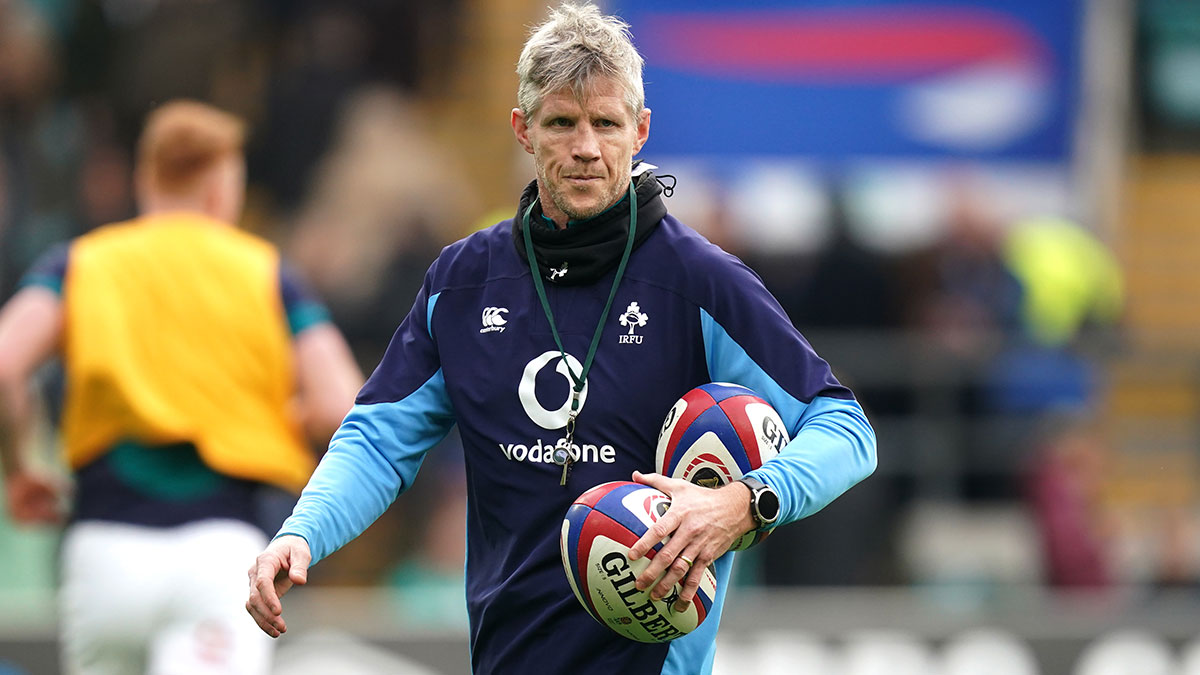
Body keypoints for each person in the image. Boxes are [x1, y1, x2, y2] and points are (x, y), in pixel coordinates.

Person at [246, 3, 877, 673]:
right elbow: (378, 438)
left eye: (606, 124)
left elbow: (843, 429)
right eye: (561, 123)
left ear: (640, 132)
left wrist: (742, 503)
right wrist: (303, 531)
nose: (584, 147)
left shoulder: (698, 280)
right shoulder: (462, 283)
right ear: (524, 129)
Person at [0, 100, 363, 674]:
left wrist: (17, 468)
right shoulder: (266, 273)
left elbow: (4, 366)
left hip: (102, 550)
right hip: (221, 552)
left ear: (147, 179)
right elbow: (342, 404)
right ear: (221, 188)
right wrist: (274, 420)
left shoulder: (81, 263)